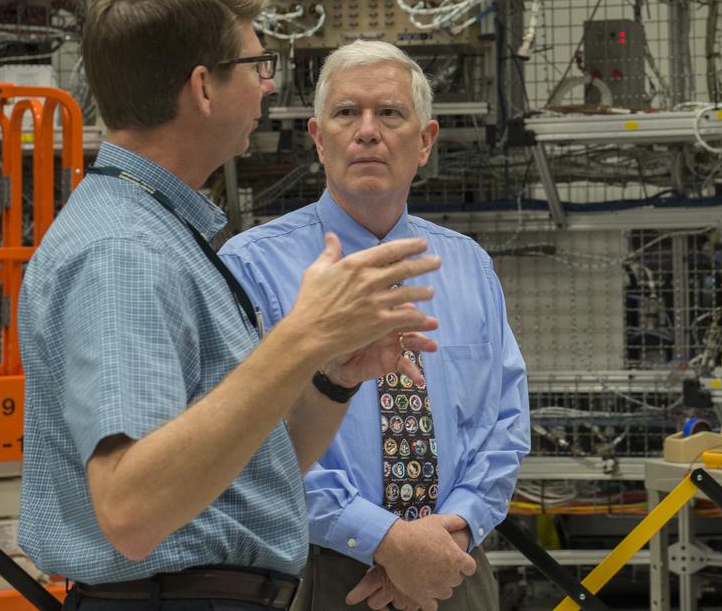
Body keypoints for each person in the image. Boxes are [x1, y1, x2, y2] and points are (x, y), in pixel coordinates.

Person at [19, 0, 442, 611]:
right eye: (255, 65)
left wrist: (331, 374)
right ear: (203, 89)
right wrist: (300, 339)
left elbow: (243, 476)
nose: (267, 87)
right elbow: (132, 509)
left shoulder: (162, 235)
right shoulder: (123, 253)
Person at [220, 40, 530, 611]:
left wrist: (451, 532)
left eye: (389, 113)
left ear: (425, 141)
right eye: (346, 113)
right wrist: (387, 541)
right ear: (318, 138)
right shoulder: (251, 267)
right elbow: (244, 438)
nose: (368, 131)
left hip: (453, 569)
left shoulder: (468, 266)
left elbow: (505, 425)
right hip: (317, 568)